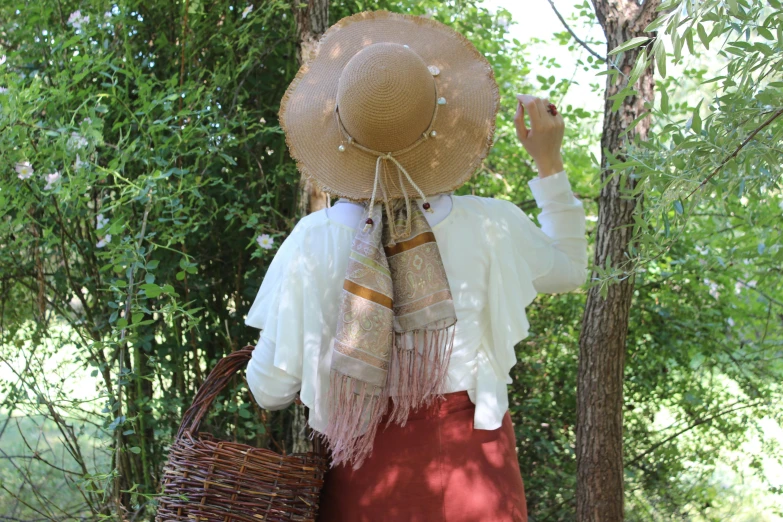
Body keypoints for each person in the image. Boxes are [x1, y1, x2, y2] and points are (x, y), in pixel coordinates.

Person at [244, 10, 587, 522]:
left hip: (366, 481)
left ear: (341, 133)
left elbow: (269, 390)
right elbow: (570, 270)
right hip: (478, 473)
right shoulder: (489, 225)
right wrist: (549, 162)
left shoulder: (312, 243)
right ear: (438, 127)